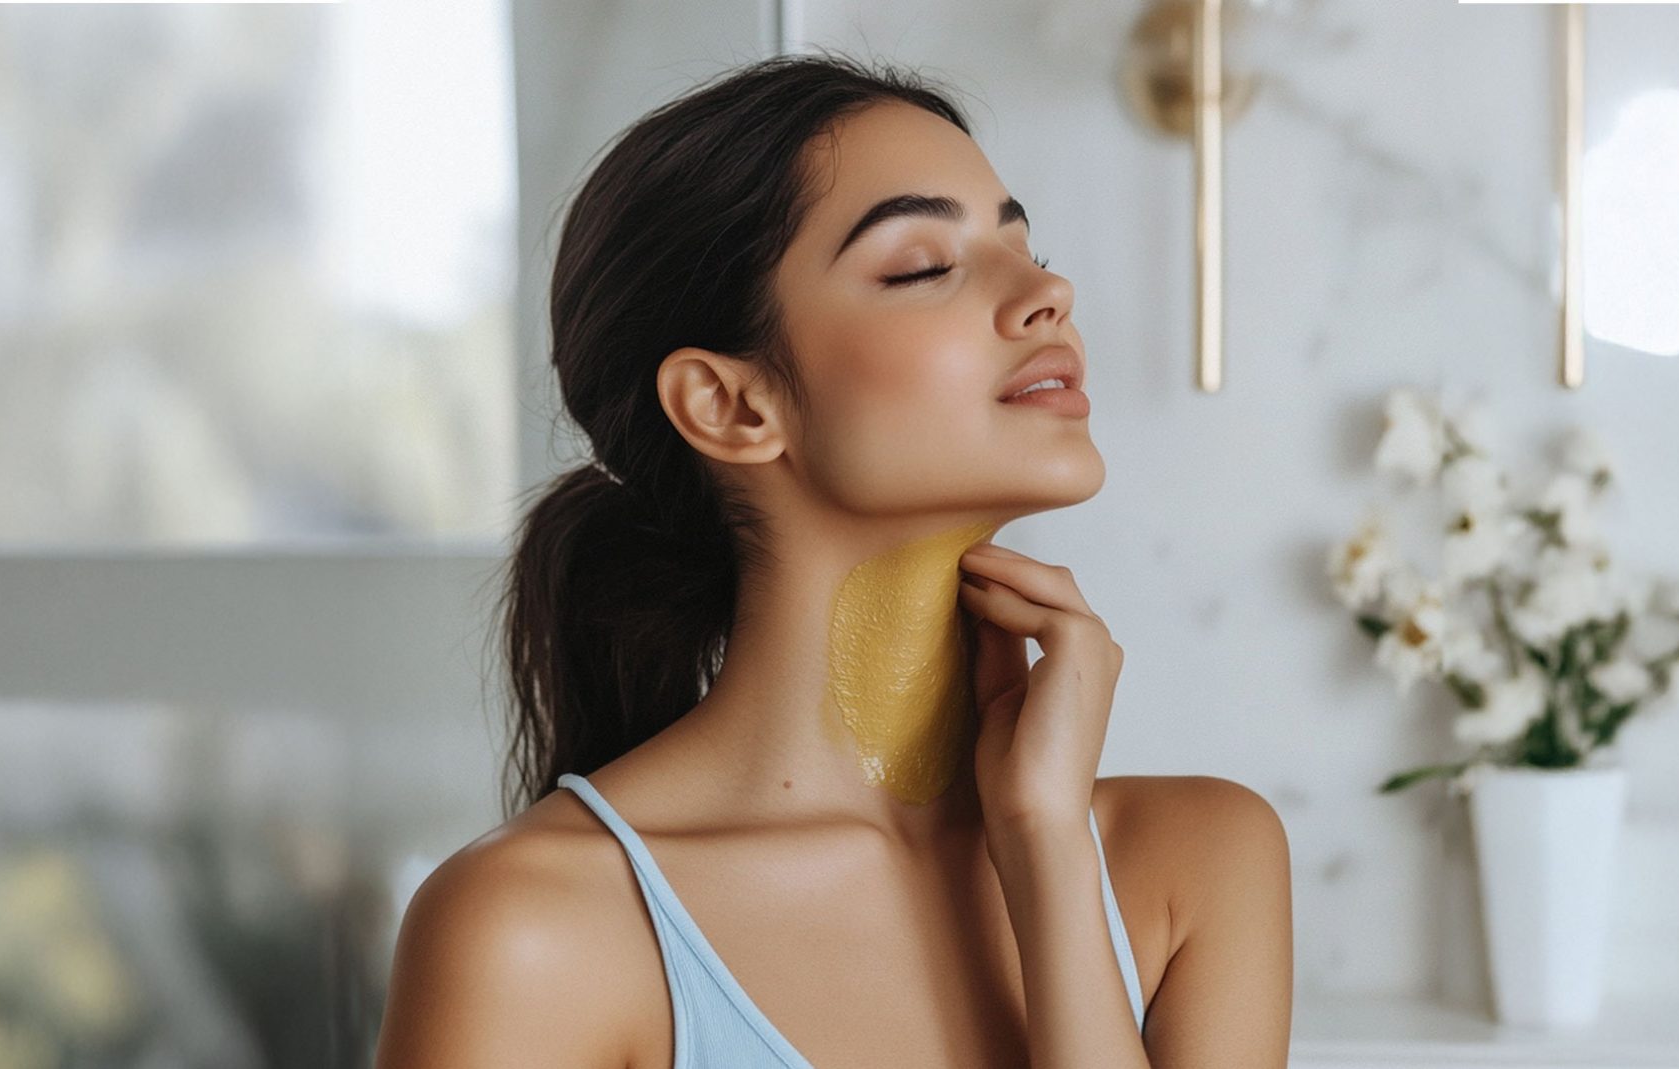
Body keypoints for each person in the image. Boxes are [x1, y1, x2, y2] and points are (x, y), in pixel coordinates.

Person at [374, 50, 1291, 1069]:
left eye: (1022, 245)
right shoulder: (533, 930)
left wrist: (1047, 849)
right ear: (730, 405)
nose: (1047, 292)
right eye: (921, 266)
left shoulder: (1198, 861)